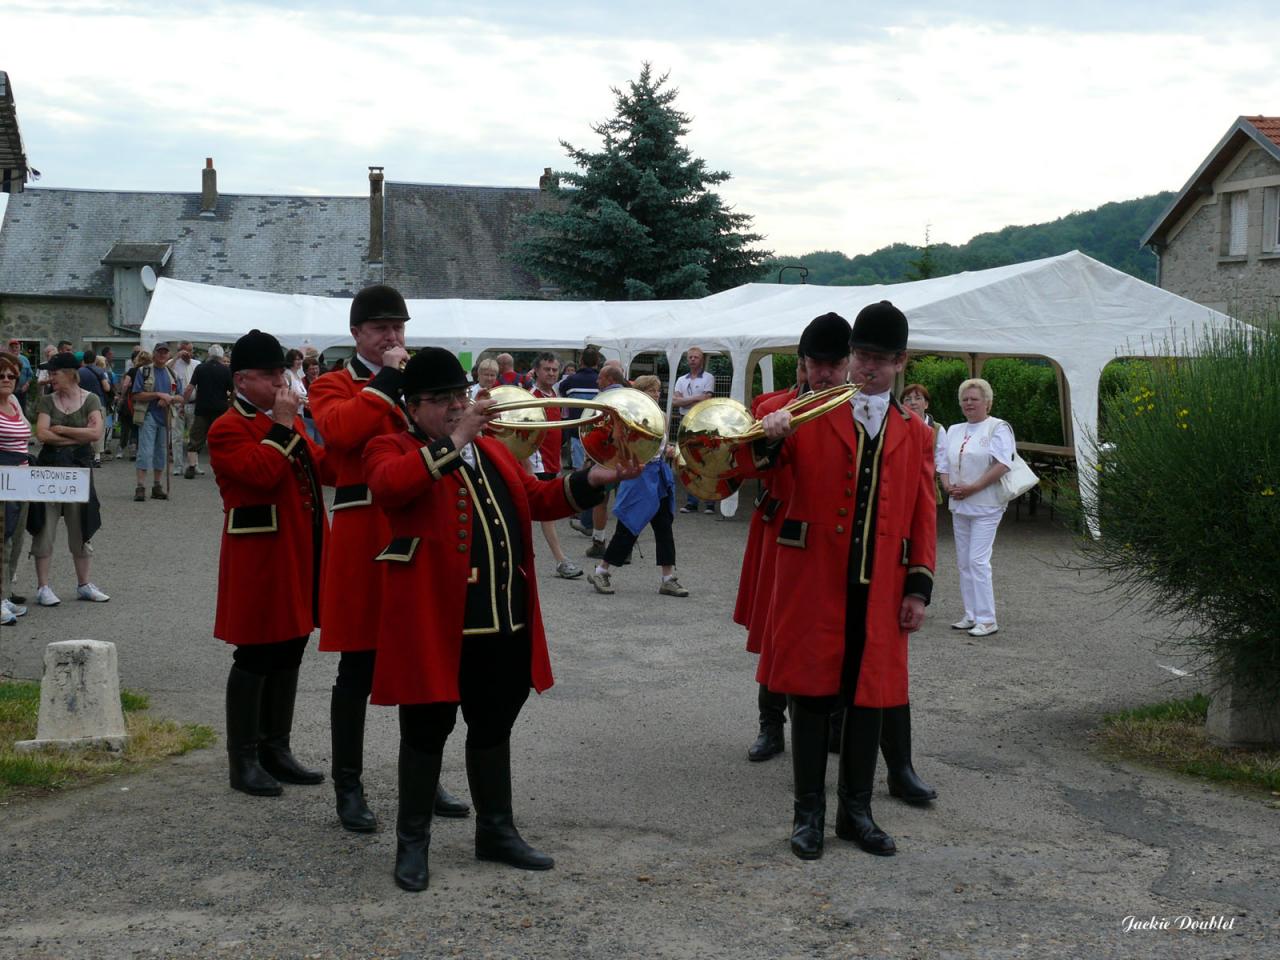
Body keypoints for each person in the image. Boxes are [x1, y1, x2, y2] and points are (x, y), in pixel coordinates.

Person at [363, 347, 638, 892]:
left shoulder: (492, 451)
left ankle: (496, 831)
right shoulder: (391, 445)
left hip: (500, 620)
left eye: (458, 397)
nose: (455, 407)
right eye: (441, 400)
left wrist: (597, 477)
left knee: (492, 727)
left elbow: (536, 497)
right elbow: (390, 486)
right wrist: (457, 438)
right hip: (437, 624)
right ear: (413, 406)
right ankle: (412, 844)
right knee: (425, 732)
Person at [747, 305, 937, 860]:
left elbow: (923, 514)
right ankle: (809, 814)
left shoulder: (916, 432)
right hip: (815, 584)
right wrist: (770, 436)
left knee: (868, 701)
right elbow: (754, 471)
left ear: (901, 362)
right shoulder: (805, 413)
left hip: (880, 588)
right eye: (861, 356)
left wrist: (918, 588)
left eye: (879, 359)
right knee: (809, 698)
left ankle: (857, 812)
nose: (866, 369)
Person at [309, 283, 469, 834]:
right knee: (357, 666)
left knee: (424, 658)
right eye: (381, 330)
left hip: (420, 524)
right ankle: (347, 788)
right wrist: (388, 380)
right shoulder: (332, 383)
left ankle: (424, 777)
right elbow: (338, 433)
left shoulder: (413, 374)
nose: (393, 337)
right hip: (363, 533)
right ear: (357, 334)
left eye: (398, 328)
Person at [208, 329, 329, 797]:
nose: (283, 381)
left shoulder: (286, 419)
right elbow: (261, 474)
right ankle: (243, 760)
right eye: (271, 374)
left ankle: (277, 748)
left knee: (292, 645)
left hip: (298, 548)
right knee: (256, 653)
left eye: (283, 372)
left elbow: (321, 466)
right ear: (242, 379)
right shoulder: (228, 426)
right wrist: (282, 424)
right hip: (259, 553)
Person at [737, 351, 807, 762]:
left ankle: (824, 722)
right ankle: (771, 724)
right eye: (807, 362)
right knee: (774, 629)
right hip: (780, 524)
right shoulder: (770, 407)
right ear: (800, 365)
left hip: (824, 532)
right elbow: (748, 467)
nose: (813, 371)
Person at [585, 375, 687, 598]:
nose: (656, 393)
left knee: (664, 527)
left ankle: (668, 578)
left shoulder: (661, 415)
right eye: (651, 390)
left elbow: (659, 446)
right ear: (640, 393)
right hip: (639, 477)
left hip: (658, 476)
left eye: (658, 390)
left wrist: (668, 450)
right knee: (628, 528)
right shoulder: (631, 417)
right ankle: (601, 570)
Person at [936, 377, 1014, 639]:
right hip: (960, 504)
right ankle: (971, 613)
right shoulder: (954, 429)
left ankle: (987, 618)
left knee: (977, 560)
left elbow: (1002, 463)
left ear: (987, 403)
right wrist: (948, 486)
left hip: (987, 505)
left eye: (974, 399)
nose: (969, 404)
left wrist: (974, 487)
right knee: (963, 562)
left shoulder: (998, 428)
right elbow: (943, 463)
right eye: (965, 400)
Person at [30, 352, 108, 606]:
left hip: (78, 469)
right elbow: (42, 434)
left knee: (80, 526)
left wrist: (62, 430)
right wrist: (79, 436)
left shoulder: (91, 399)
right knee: (45, 527)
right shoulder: (48, 401)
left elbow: (95, 433)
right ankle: (43, 587)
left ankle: (84, 584)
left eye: (54, 373)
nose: (50, 378)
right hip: (50, 469)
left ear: (70, 374)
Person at [527, 352, 581, 579]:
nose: (551, 373)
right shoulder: (531, 398)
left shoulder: (554, 394)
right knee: (545, 511)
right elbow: (525, 435)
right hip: (535, 464)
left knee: (536, 511)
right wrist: (528, 465)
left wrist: (557, 459)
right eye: (547, 369)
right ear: (536, 371)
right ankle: (560, 560)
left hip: (549, 462)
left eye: (554, 369)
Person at [0, 353, 31, 623]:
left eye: (11, 375)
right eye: (1, 375)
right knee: (2, 540)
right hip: (2, 478)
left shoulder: (13, 402)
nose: (7, 379)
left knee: (16, 540)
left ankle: (5, 593)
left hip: (21, 479)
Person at [131, 343, 177, 501]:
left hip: (165, 417)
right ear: (154, 354)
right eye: (160, 352)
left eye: (165, 352)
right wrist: (158, 395)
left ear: (168, 355)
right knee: (145, 451)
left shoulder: (171, 373)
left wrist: (169, 399)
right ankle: (140, 487)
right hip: (148, 415)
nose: (162, 355)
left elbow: (180, 396)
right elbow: (136, 395)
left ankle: (157, 486)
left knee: (161, 453)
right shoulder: (144, 371)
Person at [673, 347, 717, 514]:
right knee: (688, 460)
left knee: (706, 460)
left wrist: (684, 400)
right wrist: (694, 398)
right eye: (690, 357)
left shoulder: (708, 377)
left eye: (696, 357)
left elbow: (706, 399)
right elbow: (675, 402)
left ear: (702, 359)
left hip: (702, 421)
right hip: (686, 421)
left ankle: (709, 502)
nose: (692, 360)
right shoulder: (681, 379)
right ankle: (692, 502)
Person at [184, 344, 232, 478]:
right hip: (221, 410)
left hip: (202, 409)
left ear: (209, 355)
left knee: (195, 439)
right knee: (221, 440)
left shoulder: (200, 368)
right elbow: (234, 391)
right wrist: (232, 404)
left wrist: (183, 403)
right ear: (221, 356)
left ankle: (192, 467)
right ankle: (223, 468)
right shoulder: (226, 370)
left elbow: (189, 388)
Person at [559, 347, 601, 470]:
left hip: (576, 432)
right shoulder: (601, 381)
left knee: (579, 471)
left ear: (581, 361)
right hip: (598, 432)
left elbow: (562, 394)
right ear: (597, 362)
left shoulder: (570, 381)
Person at [170, 341, 200, 477]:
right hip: (177, 405)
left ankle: (194, 464)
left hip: (194, 404)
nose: (190, 354)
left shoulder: (197, 364)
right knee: (177, 437)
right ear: (181, 350)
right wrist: (176, 357)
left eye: (191, 351)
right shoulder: (173, 363)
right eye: (187, 351)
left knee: (194, 437)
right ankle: (177, 466)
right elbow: (164, 370)